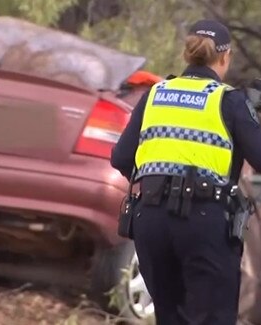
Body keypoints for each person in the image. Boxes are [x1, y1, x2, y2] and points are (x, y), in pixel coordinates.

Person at [111, 19, 261, 325]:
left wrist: (158, 184)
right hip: (204, 221)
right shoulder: (228, 101)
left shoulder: (153, 95)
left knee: (170, 317)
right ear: (225, 57)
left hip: (150, 221)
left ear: (186, 54)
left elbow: (121, 157)